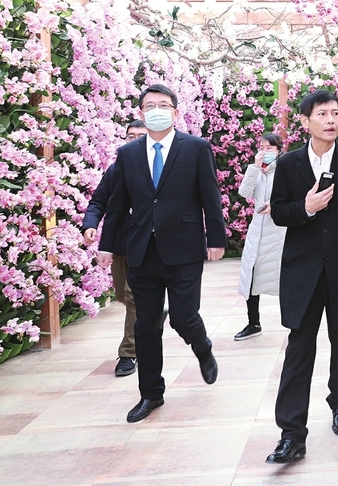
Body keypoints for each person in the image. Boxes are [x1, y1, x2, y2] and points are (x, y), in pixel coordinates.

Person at [265, 90, 338, 464]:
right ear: (305, 121)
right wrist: (305, 207)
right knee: (299, 348)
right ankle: (291, 435)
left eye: (335, 113)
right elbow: (279, 212)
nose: (331, 120)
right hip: (303, 272)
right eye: (322, 114)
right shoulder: (288, 164)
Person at [98, 84, 226, 423]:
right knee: (146, 325)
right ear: (141, 113)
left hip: (184, 248)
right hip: (142, 250)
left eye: (164, 105)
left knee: (184, 317)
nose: (157, 110)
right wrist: (106, 244)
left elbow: (210, 196)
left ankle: (202, 347)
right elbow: (118, 203)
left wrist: (216, 239)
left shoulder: (196, 148)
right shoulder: (128, 153)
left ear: (175, 112)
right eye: (150, 105)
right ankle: (151, 393)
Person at [82, 119, 148, 377]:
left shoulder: (162, 169)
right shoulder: (116, 169)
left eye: (141, 136)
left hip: (147, 243)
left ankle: (128, 354)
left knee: (133, 296)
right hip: (120, 243)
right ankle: (153, 313)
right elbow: (99, 200)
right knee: (123, 295)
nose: (135, 141)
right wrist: (90, 224)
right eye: (131, 136)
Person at [234, 133, 286, 340]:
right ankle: (253, 323)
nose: (265, 152)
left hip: (279, 231)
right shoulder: (256, 171)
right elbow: (244, 193)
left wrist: (275, 207)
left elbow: (294, 197)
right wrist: (254, 169)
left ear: (279, 151)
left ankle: (294, 322)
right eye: (261, 148)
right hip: (257, 232)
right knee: (251, 276)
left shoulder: (285, 170)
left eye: (269, 148)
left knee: (284, 278)